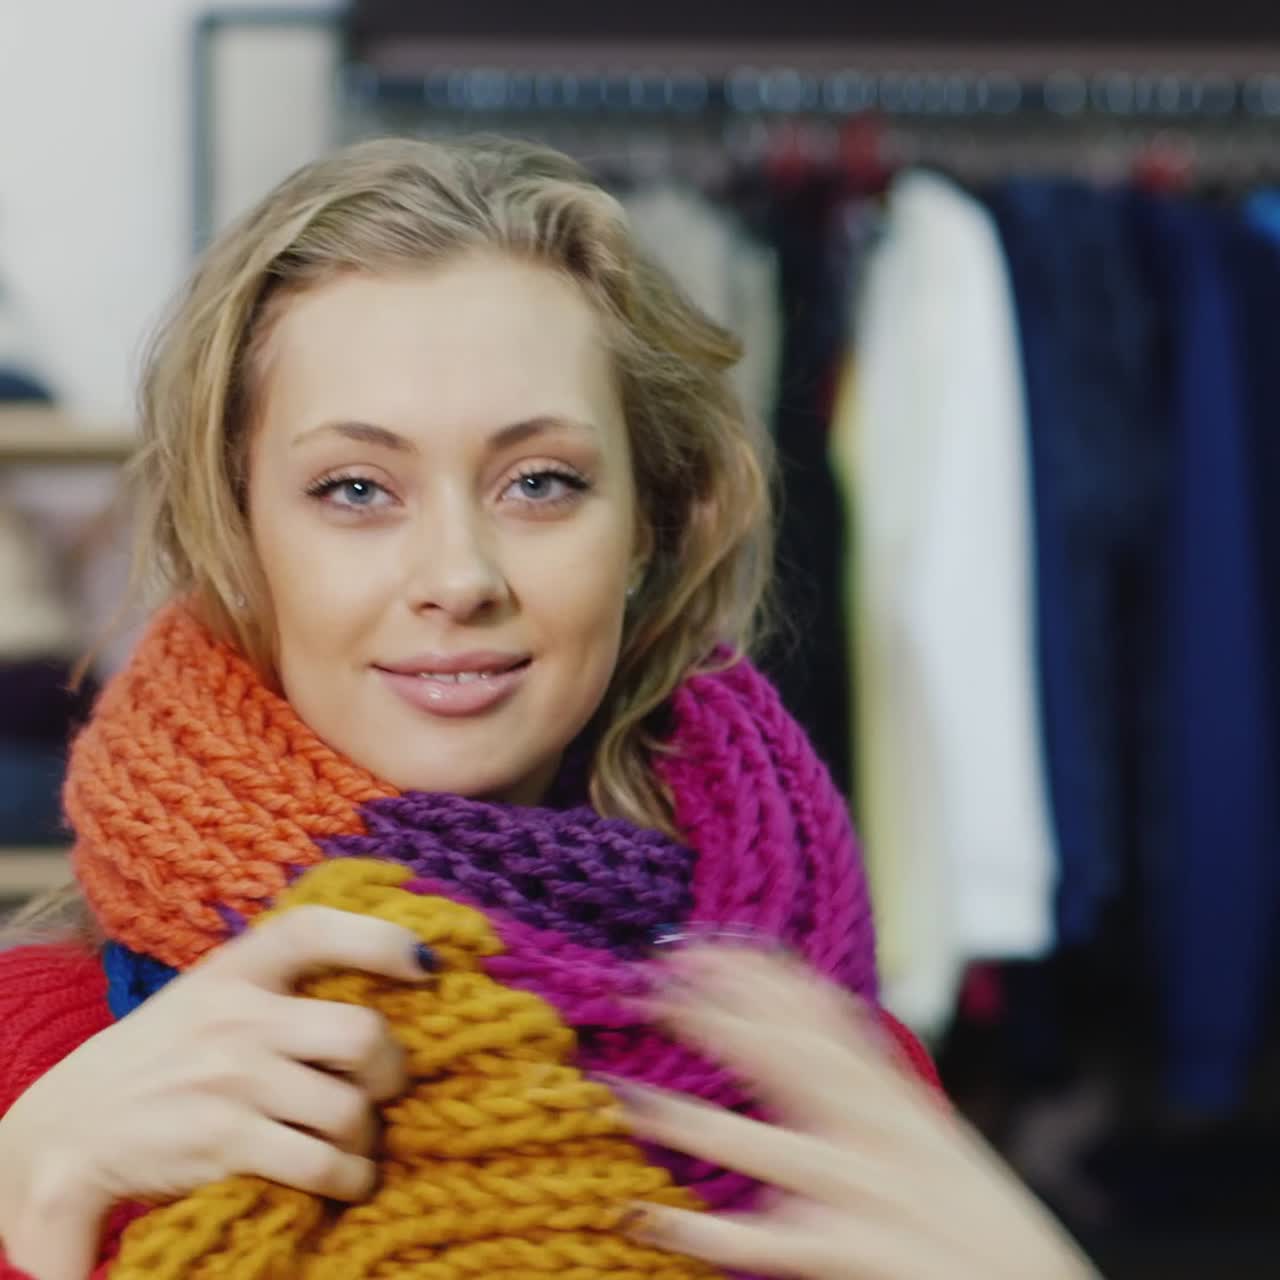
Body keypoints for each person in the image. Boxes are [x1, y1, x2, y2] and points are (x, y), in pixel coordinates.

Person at [0, 137, 1096, 1279]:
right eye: (356, 490)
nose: (459, 573)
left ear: (648, 527)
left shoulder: (825, 1073)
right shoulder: (43, 1054)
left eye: (540, 482)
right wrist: (34, 1205)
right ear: (243, 536)